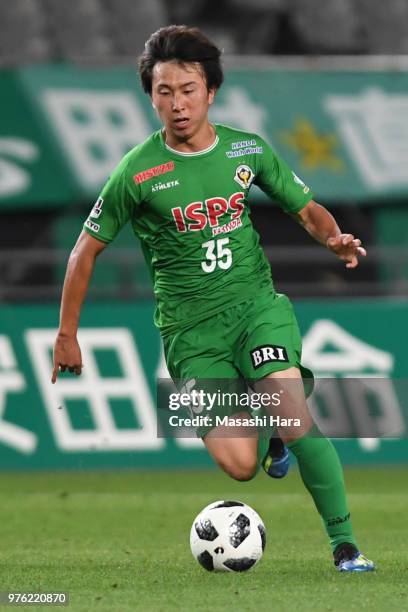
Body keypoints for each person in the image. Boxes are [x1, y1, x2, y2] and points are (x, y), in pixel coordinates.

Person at [52, 25, 374, 572]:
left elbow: (305, 208)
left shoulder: (247, 150)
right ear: (150, 95)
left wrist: (333, 237)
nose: (177, 104)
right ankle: (270, 421)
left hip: (255, 307)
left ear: (211, 92)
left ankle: (345, 546)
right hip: (190, 333)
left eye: (188, 90)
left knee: (294, 416)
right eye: (164, 92)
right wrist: (66, 334)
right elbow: (84, 251)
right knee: (240, 465)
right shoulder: (137, 172)